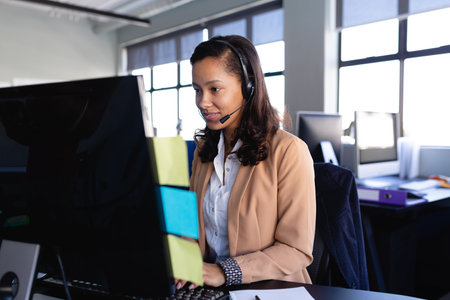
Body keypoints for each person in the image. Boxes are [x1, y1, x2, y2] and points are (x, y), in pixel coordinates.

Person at [185, 35, 316, 289]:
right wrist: (187, 258)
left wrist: (225, 272)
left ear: (248, 87)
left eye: (215, 89)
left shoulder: (289, 152)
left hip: (271, 290)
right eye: (197, 90)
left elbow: (296, 250)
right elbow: (192, 225)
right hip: (209, 289)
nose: (202, 102)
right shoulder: (204, 151)